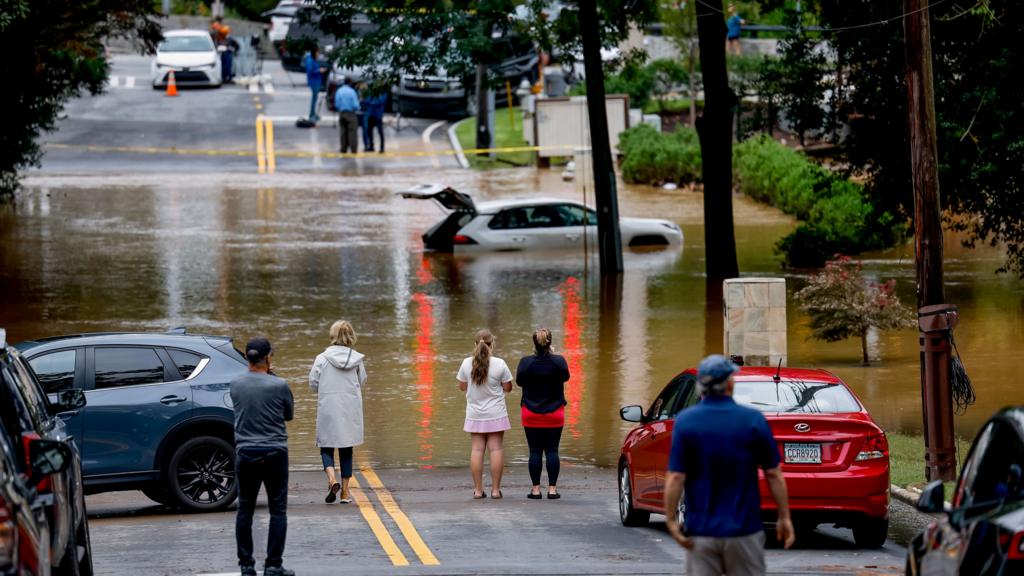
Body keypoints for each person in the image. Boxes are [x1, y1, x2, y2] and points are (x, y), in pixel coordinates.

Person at [663, 354, 794, 576]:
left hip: (702, 531)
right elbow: (773, 474)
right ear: (730, 383)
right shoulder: (752, 420)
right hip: (744, 531)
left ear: (700, 385)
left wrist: (670, 520)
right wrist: (784, 517)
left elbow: (676, 477)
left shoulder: (686, 421)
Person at [230, 337, 295, 576]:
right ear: (267, 357)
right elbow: (288, 415)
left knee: (244, 510)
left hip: (246, 453)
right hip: (275, 452)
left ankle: (247, 566)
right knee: (278, 511)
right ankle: (274, 565)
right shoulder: (279, 385)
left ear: (247, 357)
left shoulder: (235, 384)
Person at [309, 320, 366, 505]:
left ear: (332, 336)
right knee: (346, 449)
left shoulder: (322, 359)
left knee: (326, 446)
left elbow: (313, 384)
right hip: (349, 408)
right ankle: (345, 493)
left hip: (328, 406)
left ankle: (332, 480)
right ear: (351, 336)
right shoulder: (357, 359)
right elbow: (362, 380)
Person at [456, 329, 513, 499]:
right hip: (496, 413)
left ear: (475, 344)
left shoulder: (466, 363)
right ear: (492, 344)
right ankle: (496, 491)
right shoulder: (500, 364)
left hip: (475, 414)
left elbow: (462, 387)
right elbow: (508, 387)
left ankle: (478, 490)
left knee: (477, 450)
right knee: (495, 449)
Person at [515, 328, 569, 499]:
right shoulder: (559, 362)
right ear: (550, 342)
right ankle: (552, 490)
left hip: (531, 413)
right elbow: (566, 377)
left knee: (535, 451)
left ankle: (536, 490)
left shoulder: (525, 362)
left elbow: (519, 382)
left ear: (534, 343)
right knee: (552, 450)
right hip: (555, 413)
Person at [334, 77, 360, 154]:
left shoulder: (339, 91)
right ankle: (353, 149)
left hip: (342, 113)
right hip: (351, 113)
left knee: (343, 132)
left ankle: (343, 148)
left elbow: (337, 104)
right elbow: (355, 105)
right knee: (352, 132)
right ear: (350, 83)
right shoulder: (352, 92)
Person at [302, 48, 325, 124]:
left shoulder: (313, 59)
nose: (318, 54)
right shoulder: (310, 60)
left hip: (316, 81)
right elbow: (310, 71)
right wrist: (319, 70)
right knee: (314, 99)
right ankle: (311, 115)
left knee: (315, 99)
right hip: (314, 82)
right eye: (317, 52)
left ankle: (313, 113)